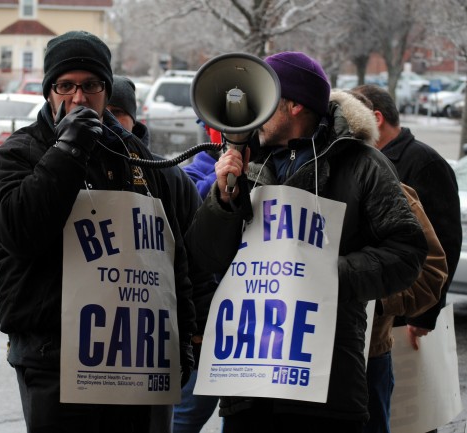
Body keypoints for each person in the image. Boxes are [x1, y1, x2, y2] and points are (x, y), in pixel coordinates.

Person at [184, 51, 428, 433]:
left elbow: (407, 252)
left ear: (296, 105)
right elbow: (205, 255)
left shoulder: (362, 164)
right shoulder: (249, 163)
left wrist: (326, 276)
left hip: (326, 385)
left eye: (267, 100)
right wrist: (223, 199)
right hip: (249, 383)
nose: (256, 113)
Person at [0, 31, 196, 433]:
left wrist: (182, 336)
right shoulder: (19, 153)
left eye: (91, 86)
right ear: (50, 91)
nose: (79, 98)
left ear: (105, 89)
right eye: (66, 86)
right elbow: (19, 230)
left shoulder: (135, 155)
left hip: (137, 358)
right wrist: (68, 151)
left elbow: (171, 253)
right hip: (55, 361)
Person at [107, 74, 221, 432]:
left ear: (133, 120)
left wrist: (197, 333)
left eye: (116, 112)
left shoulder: (166, 177)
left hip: (153, 340)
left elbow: (194, 264)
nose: (106, 120)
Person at [352, 84, 462, 433]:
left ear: (376, 118)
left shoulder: (424, 162)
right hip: (382, 312)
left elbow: (444, 243)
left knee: (414, 412)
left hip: (404, 311)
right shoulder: (367, 164)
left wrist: (423, 315)